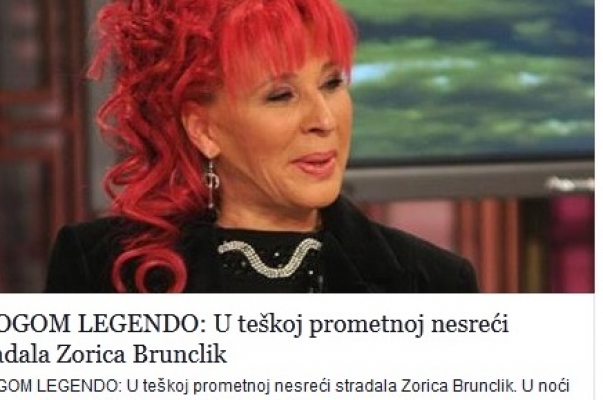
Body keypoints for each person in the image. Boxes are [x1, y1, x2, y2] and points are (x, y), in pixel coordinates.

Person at [45, 0, 479, 293]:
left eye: (332, 84)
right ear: (203, 130)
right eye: (281, 95)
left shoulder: (432, 283)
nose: (324, 121)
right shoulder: (104, 269)